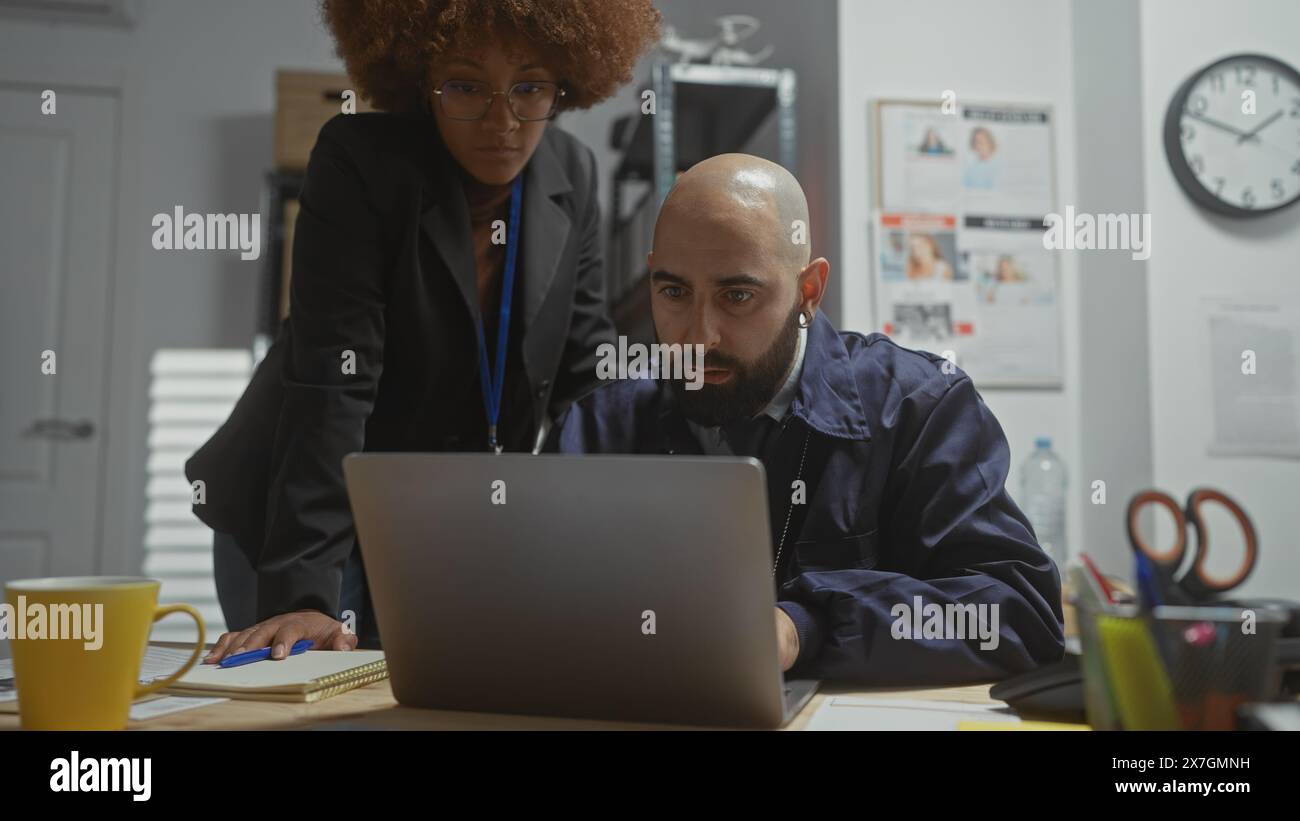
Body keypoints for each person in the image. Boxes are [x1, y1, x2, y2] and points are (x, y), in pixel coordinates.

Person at [187, 0, 661, 662]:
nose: (503, 121)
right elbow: (334, 384)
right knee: (315, 701)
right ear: (420, 78)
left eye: (529, 87)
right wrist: (304, 595)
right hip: (299, 514)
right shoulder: (359, 161)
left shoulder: (572, 174)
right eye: (467, 85)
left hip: (435, 524)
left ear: (567, 79)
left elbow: (584, 370)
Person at [550, 154, 1064, 685]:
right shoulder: (600, 429)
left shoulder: (919, 409)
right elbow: (533, 607)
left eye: (738, 295)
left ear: (808, 292)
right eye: (674, 292)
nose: (699, 337)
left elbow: (1018, 613)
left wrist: (804, 626)